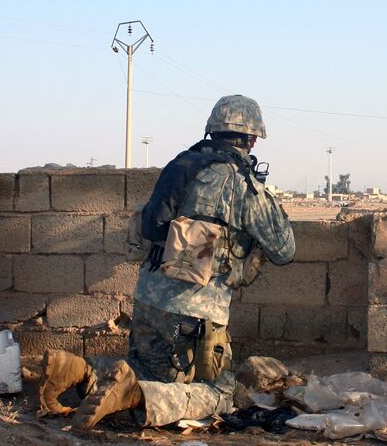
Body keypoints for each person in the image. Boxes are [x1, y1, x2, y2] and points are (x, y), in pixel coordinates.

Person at [40, 95, 296, 430]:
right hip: (196, 312)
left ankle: (78, 369)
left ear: (213, 131)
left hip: (149, 297)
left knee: (146, 365)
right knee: (221, 392)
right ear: (251, 138)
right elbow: (284, 248)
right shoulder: (241, 183)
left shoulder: (183, 166)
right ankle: (137, 398)